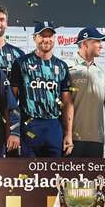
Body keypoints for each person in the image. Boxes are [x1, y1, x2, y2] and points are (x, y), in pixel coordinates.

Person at [9, 21, 74, 157]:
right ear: (34, 38)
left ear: (54, 38)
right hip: (29, 124)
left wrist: (68, 134)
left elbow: (67, 103)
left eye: (50, 36)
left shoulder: (61, 66)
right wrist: (13, 131)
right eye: (42, 36)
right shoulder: (21, 63)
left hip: (53, 127)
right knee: (28, 174)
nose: (46, 39)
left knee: (53, 175)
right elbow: (12, 100)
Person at [68, 27, 105, 158]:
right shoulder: (66, 68)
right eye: (97, 42)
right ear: (85, 44)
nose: (101, 46)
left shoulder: (104, 71)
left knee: (94, 179)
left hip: (96, 140)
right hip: (71, 139)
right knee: (69, 179)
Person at [0, 4, 26, 155]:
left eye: (2, 19)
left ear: (6, 24)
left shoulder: (18, 54)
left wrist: (16, 129)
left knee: (9, 171)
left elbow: (23, 92)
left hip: (11, 117)